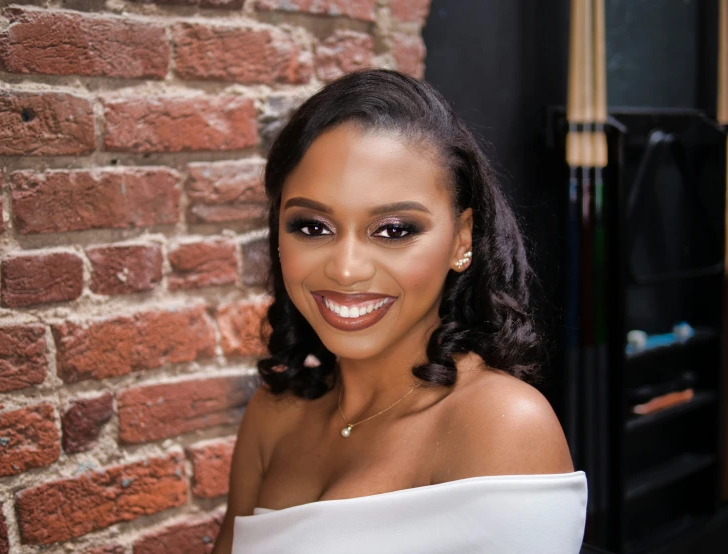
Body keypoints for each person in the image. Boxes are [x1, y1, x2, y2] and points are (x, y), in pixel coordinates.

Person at [212, 69, 587, 554]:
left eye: (392, 230)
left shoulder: (503, 425)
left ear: (462, 238)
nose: (345, 270)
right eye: (312, 227)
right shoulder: (273, 414)